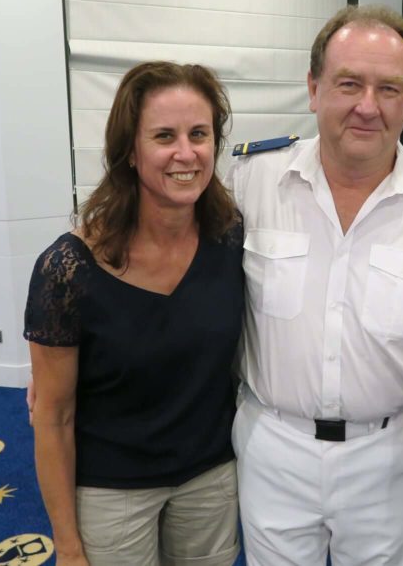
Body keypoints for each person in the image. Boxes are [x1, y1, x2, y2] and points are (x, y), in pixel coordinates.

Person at [227, 4, 403, 565]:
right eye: (349, 84)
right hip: (274, 446)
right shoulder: (250, 182)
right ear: (314, 88)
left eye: (389, 89)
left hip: (385, 456)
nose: (368, 106)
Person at [24, 62, 243, 566]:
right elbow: (53, 418)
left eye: (199, 134)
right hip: (111, 489)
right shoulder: (68, 269)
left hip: (210, 477)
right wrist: (68, 547)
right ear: (129, 149)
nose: (185, 153)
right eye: (164, 136)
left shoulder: (231, 239)